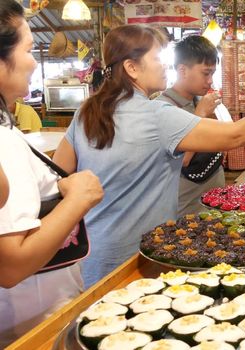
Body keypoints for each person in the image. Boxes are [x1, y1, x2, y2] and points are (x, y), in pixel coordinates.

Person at [53, 24, 245, 287]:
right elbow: (237, 135)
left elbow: (59, 175)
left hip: (89, 255)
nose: (165, 64)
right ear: (131, 68)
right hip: (138, 259)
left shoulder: (86, 113)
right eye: (158, 57)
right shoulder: (157, 116)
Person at [0, 1, 103, 345]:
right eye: (28, 50)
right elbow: (10, 265)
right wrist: (78, 198)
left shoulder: (8, 129)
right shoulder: (2, 142)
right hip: (29, 324)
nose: (33, 62)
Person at [156, 35, 224, 216]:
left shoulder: (200, 101)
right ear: (182, 70)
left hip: (214, 202)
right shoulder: (163, 107)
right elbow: (181, 160)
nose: (210, 80)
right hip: (187, 209)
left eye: (212, 74)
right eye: (205, 73)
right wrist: (200, 115)